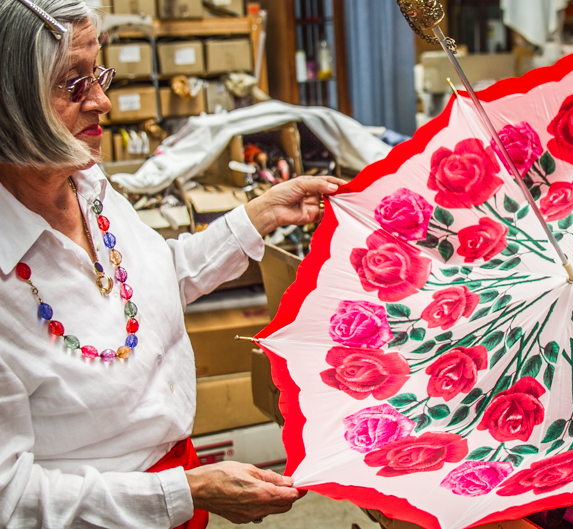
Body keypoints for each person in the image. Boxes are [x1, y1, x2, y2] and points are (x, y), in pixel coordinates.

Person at [0, 0, 345, 526]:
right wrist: (178, 492)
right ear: (12, 101)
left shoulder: (86, 184)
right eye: (74, 84)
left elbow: (152, 278)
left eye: (99, 74)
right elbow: (13, 498)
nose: (103, 102)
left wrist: (261, 213)